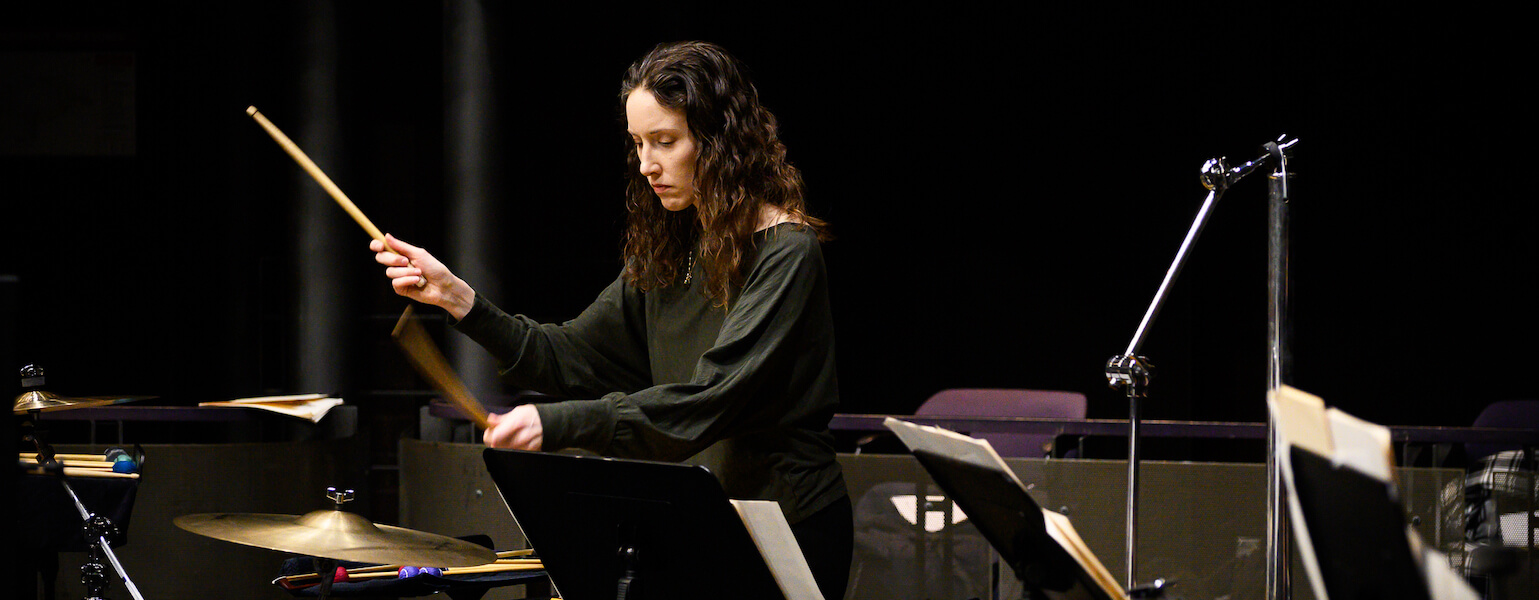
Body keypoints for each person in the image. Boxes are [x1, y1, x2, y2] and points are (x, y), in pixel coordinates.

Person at [371, 41, 852, 599]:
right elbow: (567, 356)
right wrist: (460, 301)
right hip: (702, 513)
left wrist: (559, 424)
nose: (648, 165)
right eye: (639, 144)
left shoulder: (786, 253)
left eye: (665, 142)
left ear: (719, 142)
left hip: (787, 524)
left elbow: (712, 398)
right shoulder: (674, 250)